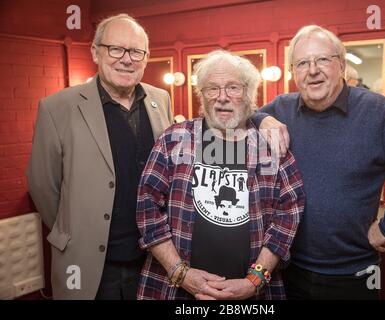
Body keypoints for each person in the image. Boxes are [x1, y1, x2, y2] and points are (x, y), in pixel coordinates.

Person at [252, 25, 385, 300]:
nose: (313, 70)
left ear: (341, 65)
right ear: (294, 72)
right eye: (302, 63)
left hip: (354, 275)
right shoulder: (281, 109)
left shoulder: (379, 112)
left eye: (322, 59)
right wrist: (263, 119)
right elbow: (243, 120)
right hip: (287, 270)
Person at [136, 50, 305, 300]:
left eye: (233, 88)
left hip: (252, 294)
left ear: (248, 93)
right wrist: (180, 273)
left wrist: (255, 279)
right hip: (174, 291)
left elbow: (288, 216)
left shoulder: (270, 145)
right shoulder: (173, 140)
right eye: (212, 89)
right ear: (202, 95)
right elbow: (147, 210)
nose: (222, 98)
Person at [26, 14, 173, 300]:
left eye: (135, 52)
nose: (126, 59)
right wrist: (77, 227)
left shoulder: (161, 99)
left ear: (146, 58)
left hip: (154, 258)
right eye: (115, 49)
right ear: (96, 52)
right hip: (91, 262)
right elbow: (43, 186)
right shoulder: (58, 108)